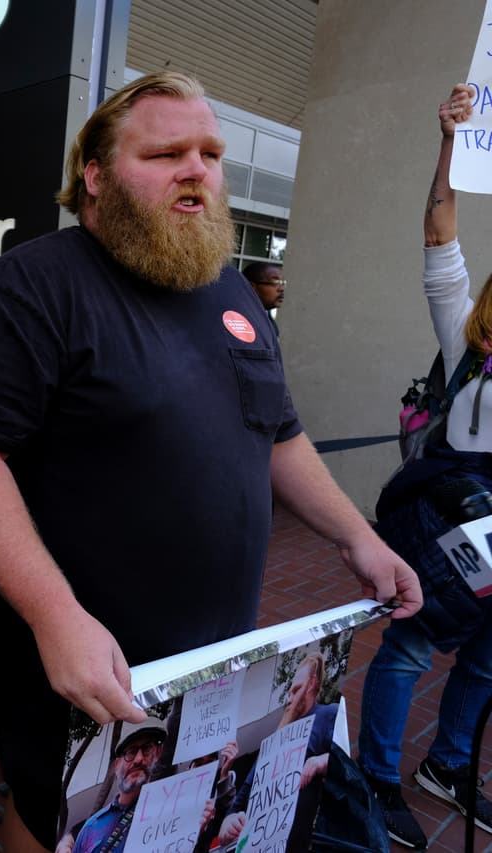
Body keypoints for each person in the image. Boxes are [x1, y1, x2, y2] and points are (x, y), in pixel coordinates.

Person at [0, 70, 422, 853]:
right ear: (94, 174)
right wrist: (58, 617)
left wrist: (357, 537)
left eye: (211, 153)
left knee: (166, 813)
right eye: (166, 153)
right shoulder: (30, 288)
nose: (198, 169)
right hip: (73, 651)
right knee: (52, 814)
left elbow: (278, 433)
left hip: (209, 646)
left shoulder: (233, 289)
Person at [358, 83, 492, 850]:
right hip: (449, 524)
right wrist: (451, 140)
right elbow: (440, 226)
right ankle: (378, 775)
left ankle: (449, 765)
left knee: (488, 655)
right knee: (410, 645)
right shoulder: (470, 345)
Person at [217, 653, 338, 851]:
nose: (289, 699)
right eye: (289, 693)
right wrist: (228, 823)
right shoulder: (272, 743)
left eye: (296, 690)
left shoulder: (327, 715)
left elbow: (346, 765)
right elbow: (239, 802)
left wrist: (321, 762)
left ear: (312, 684)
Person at [73, 718, 212, 853]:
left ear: (157, 753)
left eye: (146, 748)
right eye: (131, 751)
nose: (139, 759)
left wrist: (194, 835)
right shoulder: (91, 829)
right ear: (116, 766)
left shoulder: (175, 815)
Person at [243, 261, 285, 335]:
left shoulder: (268, 320)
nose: (281, 289)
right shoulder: (241, 323)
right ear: (252, 287)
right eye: (275, 282)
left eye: (282, 283)